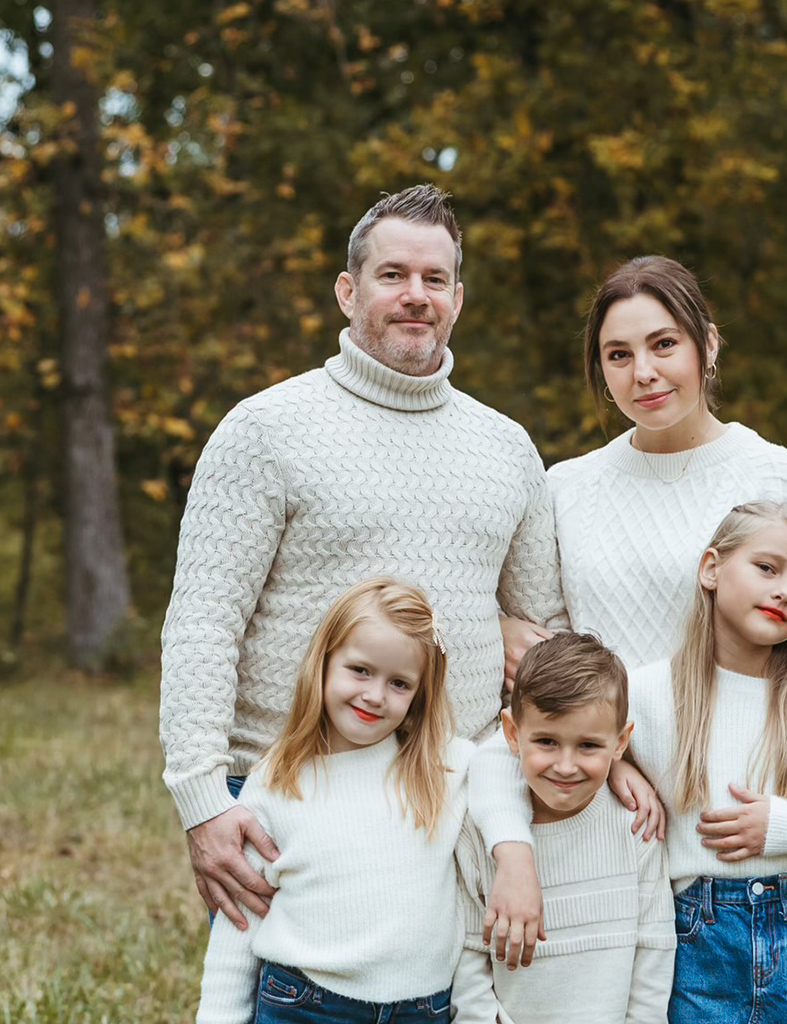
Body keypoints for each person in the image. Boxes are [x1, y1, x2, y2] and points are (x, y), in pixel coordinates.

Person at [160, 184, 565, 930]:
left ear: (457, 298)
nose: (416, 296)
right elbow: (203, 624)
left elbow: (544, 626)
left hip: (447, 804)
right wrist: (203, 801)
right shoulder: (265, 430)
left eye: (434, 280)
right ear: (349, 291)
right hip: (286, 798)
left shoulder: (508, 449)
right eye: (392, 276)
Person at [496, 254, 787, 954]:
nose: (643, 372)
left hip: (747, 831)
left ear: (707, 345)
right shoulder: (567, 489)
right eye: (618, 354)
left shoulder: (771, 472)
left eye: (663, 344)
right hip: (608, 808)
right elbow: (550, 650)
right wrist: (611, 756)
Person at [475, 502, 787, 1024]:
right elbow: (500, 755)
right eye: (767, 568)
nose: (783, 592)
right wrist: (614, 764)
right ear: (711, 568)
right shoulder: (651, 694)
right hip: (697, 946)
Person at [196, 577, 473, 1024]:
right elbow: (238, 922)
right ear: (323, 663)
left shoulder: (443, 768)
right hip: (307, 1004)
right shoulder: (278, 778)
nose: (374, 695)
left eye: (399, 683)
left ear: (420, 695)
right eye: (360, 670)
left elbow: (515, 763)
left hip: (424, 1010)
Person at [452, 632, 674, 1024]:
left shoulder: (635, 829)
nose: (566, 766)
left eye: (588, 745)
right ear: (512, 733)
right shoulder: (481, 832)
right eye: (547, 742)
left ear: (621, 741)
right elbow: (467, 957)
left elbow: (653, 957)